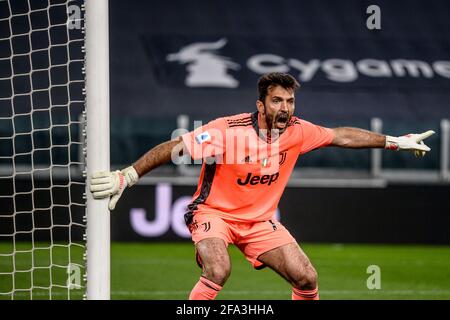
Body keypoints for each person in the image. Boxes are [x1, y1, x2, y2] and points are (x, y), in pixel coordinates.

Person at [89, 72, 434, 300]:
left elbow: (341, 136)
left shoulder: (299, 130)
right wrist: (128, 175)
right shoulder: (228, 130)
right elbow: (175, 146)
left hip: (259, 223)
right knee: (218, 269)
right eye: (277, 101)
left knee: (306, 278)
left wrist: (394, 141)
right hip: (213, 214)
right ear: (261, 104)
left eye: (290, 101)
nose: (285, 108)